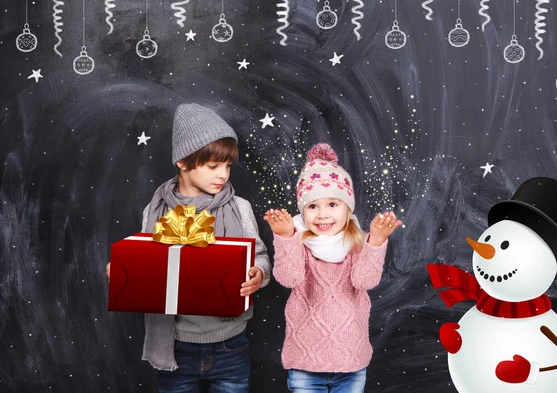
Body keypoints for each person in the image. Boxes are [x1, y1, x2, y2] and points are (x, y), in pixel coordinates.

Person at [106, 103, 271, 392]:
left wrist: (259, 274)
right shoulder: (155, 209)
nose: (223, 174)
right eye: (213, 166)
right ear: (183, 162)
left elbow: (259, 256)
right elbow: (148, 264)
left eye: (228, 166)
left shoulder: (239, 208)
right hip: (176, 344)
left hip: (230, 342)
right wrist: (123, 271)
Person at [264, 143, 402, 392]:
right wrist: (285, 237)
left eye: (332, 204)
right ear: (303, 211)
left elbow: (364, 281)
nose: (322, 214)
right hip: (305, 365)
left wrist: (377, 241)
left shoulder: (358, 243)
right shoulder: (300, 242)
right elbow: (289, 277)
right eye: (312, 206)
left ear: (347, 209)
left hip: (350, 363)